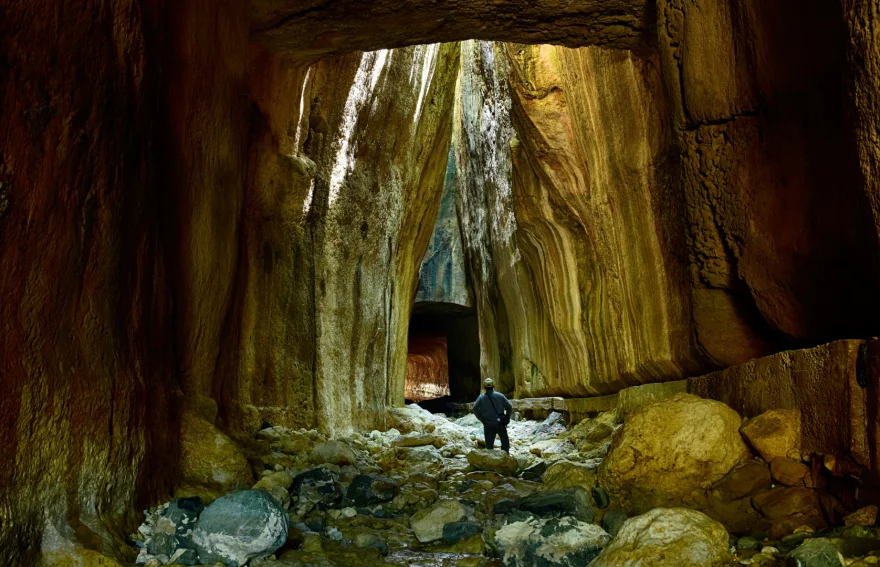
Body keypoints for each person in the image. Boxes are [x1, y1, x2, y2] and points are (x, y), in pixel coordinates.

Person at [473, 377, 512, 453]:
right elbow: (509, 407)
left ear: (484, 387)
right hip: (500, 423)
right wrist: (507, 417)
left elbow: (475, 409)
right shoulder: (500, 396)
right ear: (493, 386)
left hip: (488, 424)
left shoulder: (481, 398)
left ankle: (491, 461)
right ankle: (506, 457)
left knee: (489, 446)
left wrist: (482, 419)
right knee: (505, 442)